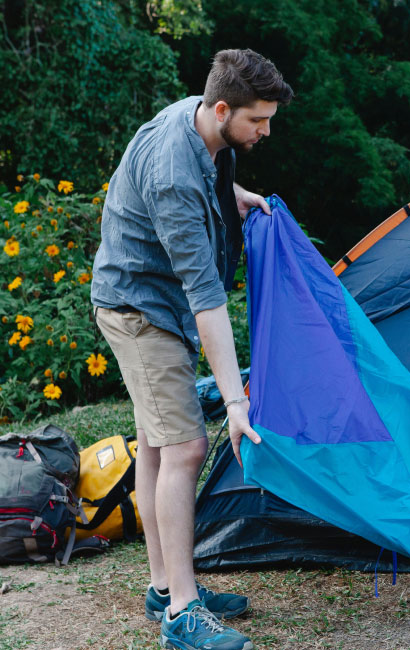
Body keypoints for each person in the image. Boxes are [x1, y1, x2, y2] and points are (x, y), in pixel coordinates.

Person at [91, 49, 292, 650]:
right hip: (138, 311)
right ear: (224, 108)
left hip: (157, 303)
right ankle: (182, 613)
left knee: (157, 446)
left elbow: (208, 185)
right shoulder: (175, 171)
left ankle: (163, 588)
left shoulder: (202, 123)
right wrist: (235, 401)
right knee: (186, 448)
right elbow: (208, 302)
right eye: (258, 121)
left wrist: (238, 197)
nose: (264, 131)